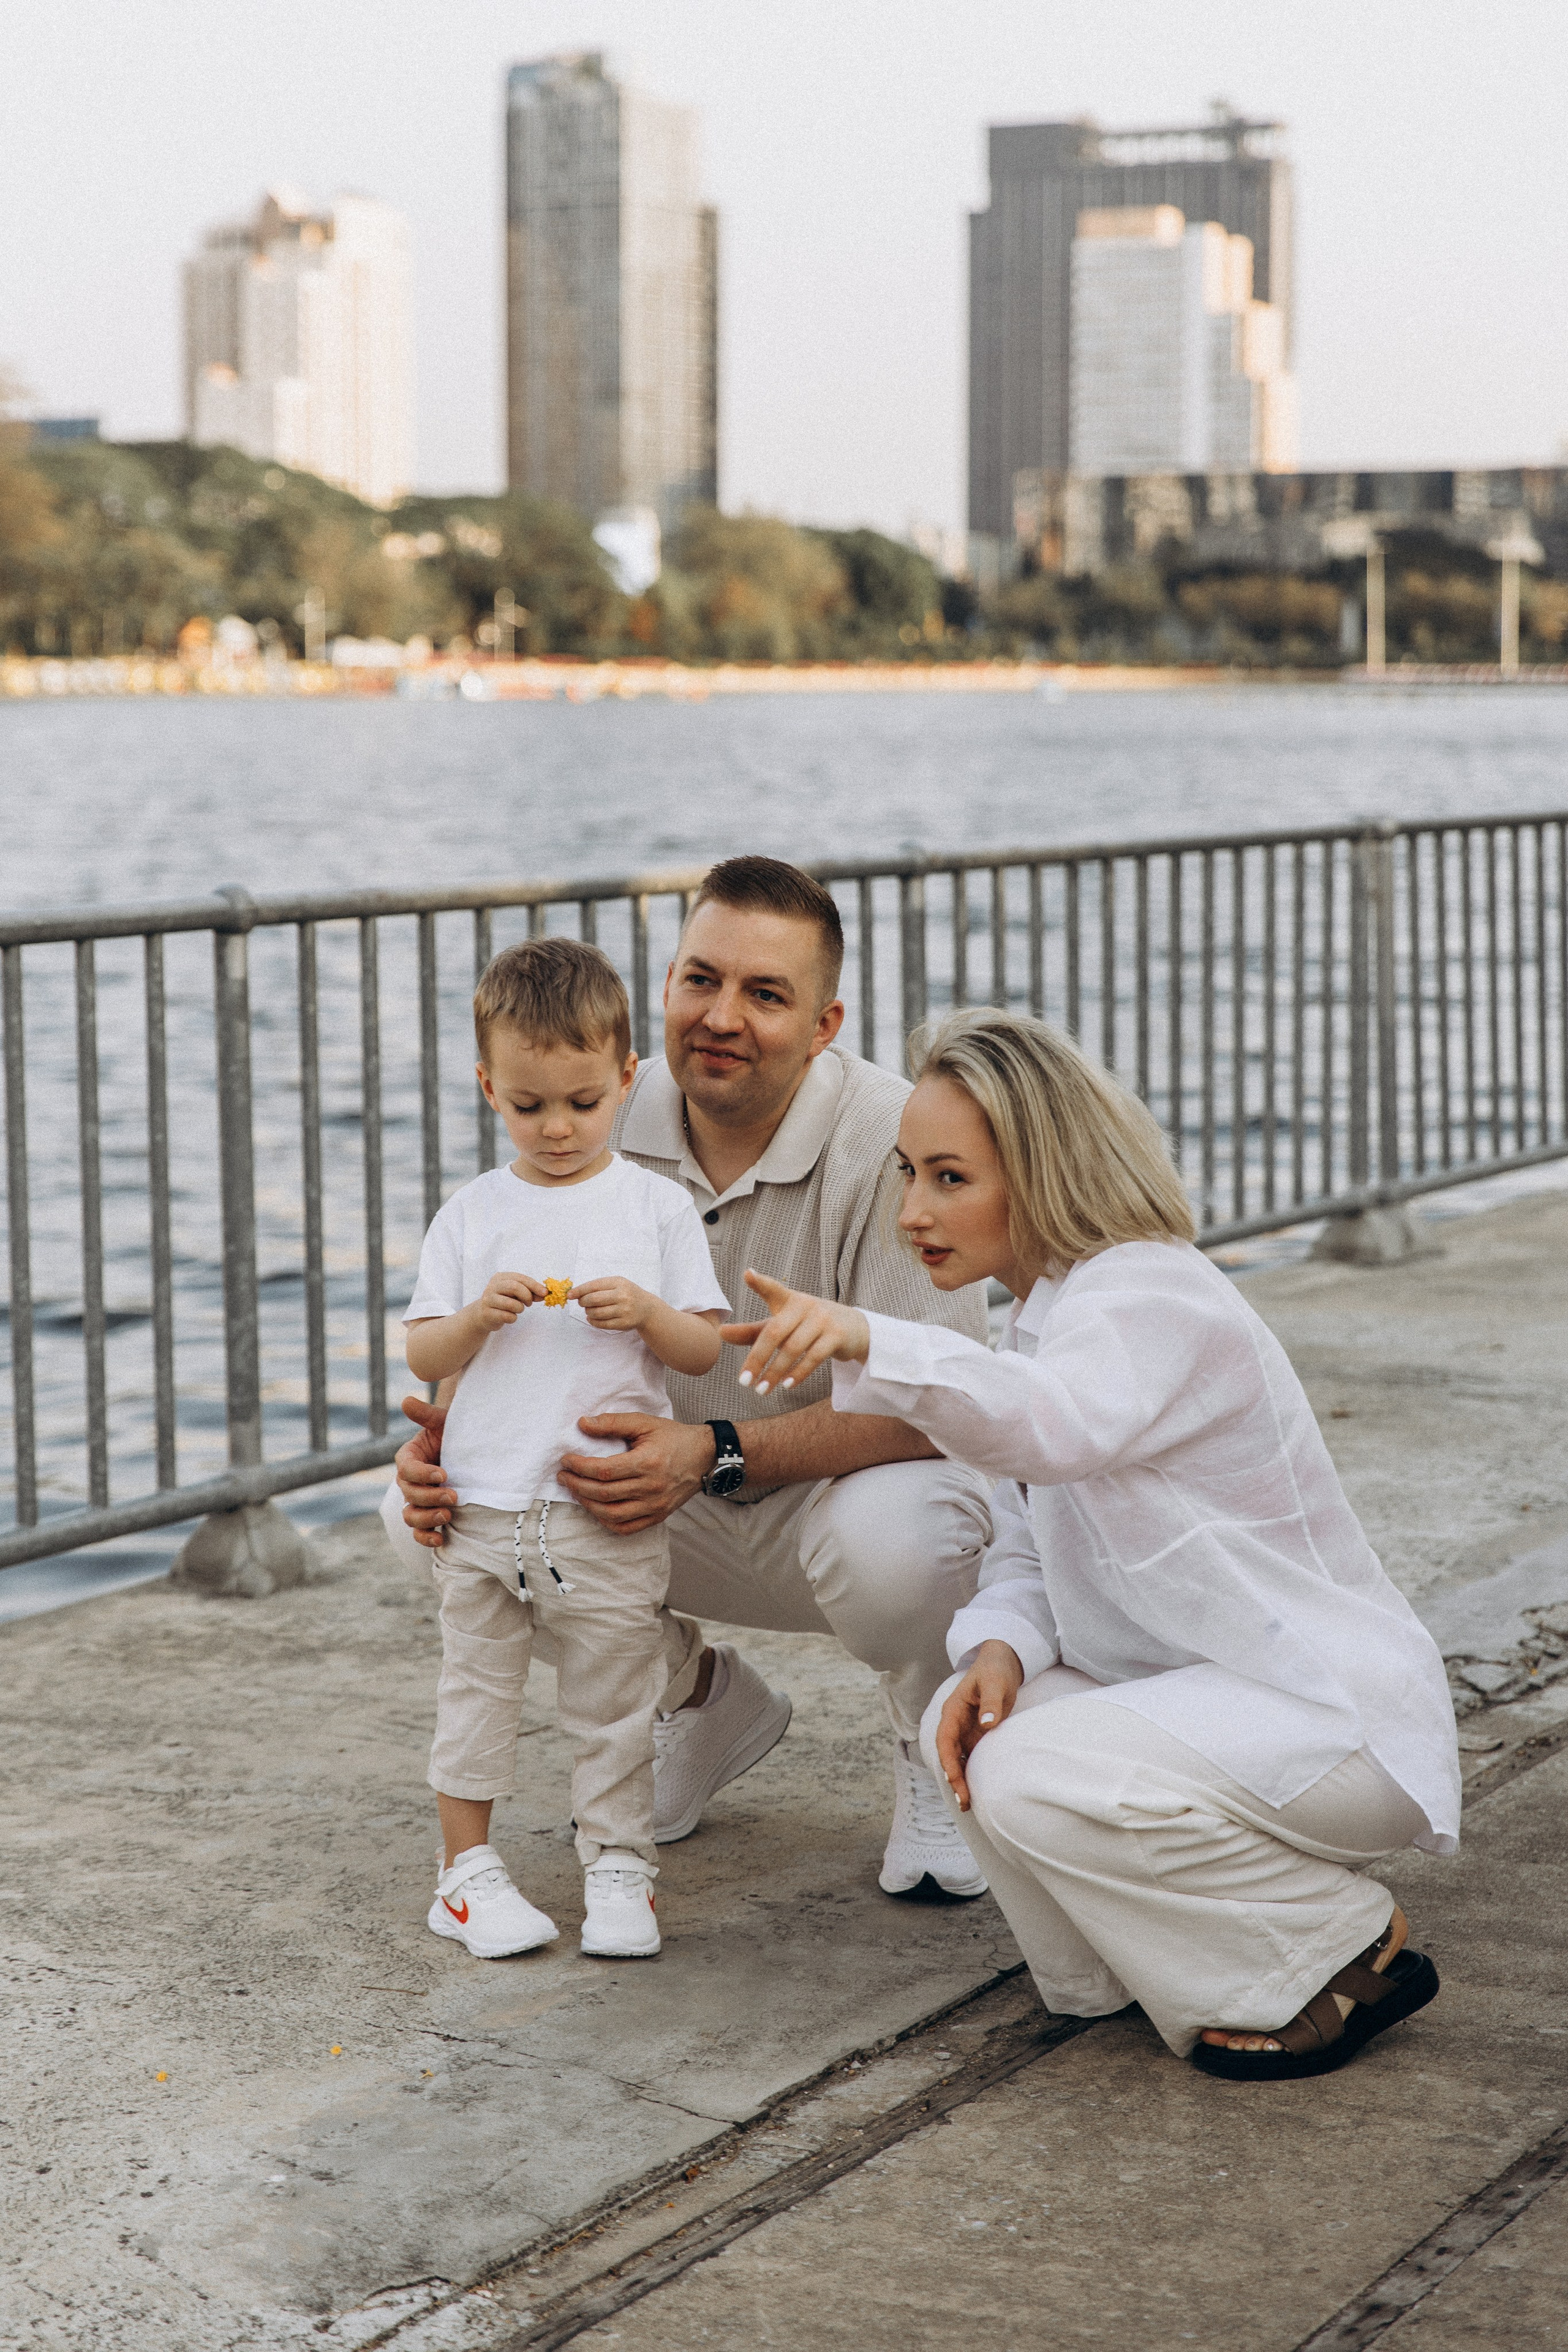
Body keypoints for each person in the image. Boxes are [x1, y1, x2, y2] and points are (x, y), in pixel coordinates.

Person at [724, 1006, 1460, 2080]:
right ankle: (1117, 1980)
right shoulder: (1044, 1317)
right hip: (1216, 1702)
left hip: (1330, 1723)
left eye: (949, 1178)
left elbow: (1054, 1427)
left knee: (1030, 1770)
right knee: (966, 1722)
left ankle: (1334, 1940)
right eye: (906, 1174)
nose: (911, 1212)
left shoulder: (1150, 1291)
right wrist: (1000, 1652)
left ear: (1043, 1171)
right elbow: (1024, 1539)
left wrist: (871, 1335)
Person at [384, 857, 993, 1902]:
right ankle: (696, 1696)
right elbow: (495, 1335)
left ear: (824, 1022)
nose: (721, 1017)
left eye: (766, 995)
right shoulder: (590, 1099)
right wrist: (442, 1442)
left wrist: (712, 1452)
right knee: (419, 1522)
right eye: (700, 979)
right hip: (647, 1506)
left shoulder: (893, 1139)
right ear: (664, 986)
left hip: (821, 1497)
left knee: (911, 1542)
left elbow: (941, 1408)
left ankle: (926, 1734)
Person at [402, 937, 733, 1962]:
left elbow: (704, 1346)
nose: (557, 1128)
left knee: (614, 1700)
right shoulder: (474, 1213)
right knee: (476, 1693)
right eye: (530, 1104)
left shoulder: (655, 1207)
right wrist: (474, 1324)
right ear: (488, 1086)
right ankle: (465, 1874)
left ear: (627, 1082)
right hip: (483, 1505)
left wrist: (645, 1311)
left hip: (601, 1510)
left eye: (584, 1104)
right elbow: (420, 1348)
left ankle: (620, 1865)